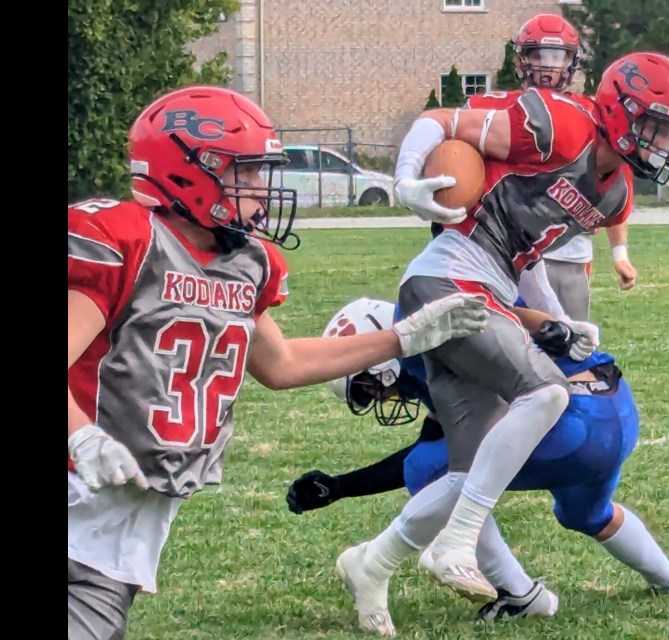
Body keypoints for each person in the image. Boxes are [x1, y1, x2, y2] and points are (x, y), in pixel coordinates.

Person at [67, 85, 490, 640]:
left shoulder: (246, 264)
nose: (261, 189)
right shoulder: (123, 238)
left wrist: (401, 339)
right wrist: (81, 437)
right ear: (188, 170)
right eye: (244, 172)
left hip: (118, 511)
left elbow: (282, 363)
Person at [386, 50, 669, 603]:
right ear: (621, 111)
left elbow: (526, 250)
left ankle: (377, 563)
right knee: (547, 393)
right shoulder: (557, 123)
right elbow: (439, 120)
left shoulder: (614, 191)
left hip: (492, 286)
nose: (665, 144)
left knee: (470, 460)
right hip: (450, 276)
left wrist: (556, 316)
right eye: (656, 127)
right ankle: (457, 542)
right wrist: (406, 179)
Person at [286, 298, 669, 635]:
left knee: (431, 470)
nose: (379, 398)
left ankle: (517, 593)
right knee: (585, 513)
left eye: (368, 386)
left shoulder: (433, 346)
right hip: (614, 412)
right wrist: (340, 486)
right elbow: (438, 440)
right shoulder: (436, 328)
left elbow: (437, 458)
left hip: (575, 423)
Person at [429, 12, 639, 321]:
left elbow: (613, 187)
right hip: (503, 250)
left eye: (558, 55)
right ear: (521, 59)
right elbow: (450, 146)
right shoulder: (496, 105)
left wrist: (620, 253)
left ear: (572, 61)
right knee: (508, 341)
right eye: (538, 54)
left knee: (570, 346)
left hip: (568, 255)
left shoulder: (591, 116)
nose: (548, 65)